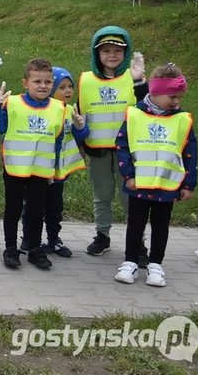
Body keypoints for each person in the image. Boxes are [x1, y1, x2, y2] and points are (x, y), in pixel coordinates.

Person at [114, 63, 197, 287]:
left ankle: (155, 265)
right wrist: (127, 175)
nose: (177, 102)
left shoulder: (182, 120)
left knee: (161, 225)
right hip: (138, 184)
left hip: (166, 186)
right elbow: (122, 145)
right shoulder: (134, 115)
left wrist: (188, 184)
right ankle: (130, 262)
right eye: (172, 96)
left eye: (179, 97)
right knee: (135, 224)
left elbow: (190, 152)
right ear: (156, 92)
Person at [0, 59, 65, 270]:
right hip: (15, 168)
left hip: (41, 171)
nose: (43, 86)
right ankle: (11, 248)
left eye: (48, 82)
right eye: (37, 81)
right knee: (12, 210)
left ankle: (34, 249)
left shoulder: (58, 108)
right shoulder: (12, 103)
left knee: (35, 211)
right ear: (25, 83)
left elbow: (57, 141)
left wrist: (55, 168)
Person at [77, 27, 146, 257]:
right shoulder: (86, 79)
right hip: (98, 149)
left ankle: (138, 242)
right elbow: (80, 115)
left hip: (130, 151)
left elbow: (149, 106)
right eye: (105, 50)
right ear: (97, 54)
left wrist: (139, 82)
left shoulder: (134, 77)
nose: (112, 55)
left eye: (118, 50)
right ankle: (102, 235)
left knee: (132, 196)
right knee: (102, 195)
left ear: (126, 53)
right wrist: (80, 147)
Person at [20, 67, 88, 257]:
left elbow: (79, 137)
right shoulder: (43, 111)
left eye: (70, 87)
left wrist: (81, 127)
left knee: (55, 207)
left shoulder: (70, 110)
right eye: (62, 87)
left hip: (59, 171)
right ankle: (29, 239)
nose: (68, 91)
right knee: (33, 206)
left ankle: (53, 239)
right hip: (38, 170)